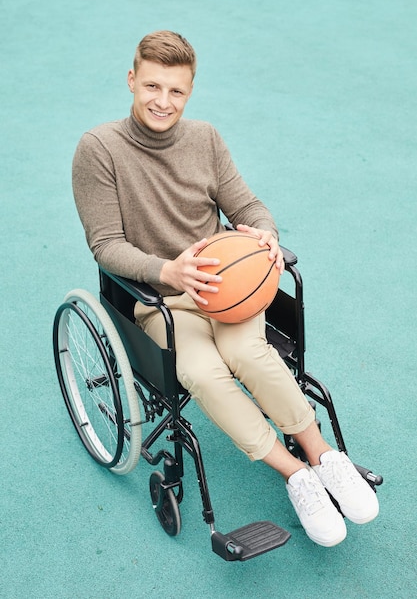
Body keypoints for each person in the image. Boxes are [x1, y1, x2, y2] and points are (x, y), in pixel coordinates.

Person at [72, 30, 378, 547]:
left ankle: (325, 456)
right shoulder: (98, 150)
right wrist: (169, 272)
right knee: (204, 373)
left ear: (189, 92)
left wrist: (265, 233)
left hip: (226, 289)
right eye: (152, 86)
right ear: (131, 80)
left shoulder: (205, 139)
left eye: (176, 92)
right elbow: (106, 245)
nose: (162, 102)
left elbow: (248, 206)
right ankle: (296, 476)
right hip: (162, 299)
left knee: (252, 357)